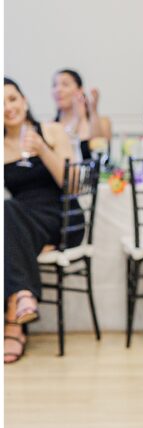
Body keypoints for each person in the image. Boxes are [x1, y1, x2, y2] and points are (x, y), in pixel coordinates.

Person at [4, 78, 79, 363]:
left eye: (12, 99)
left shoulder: (52, 130)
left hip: (60, 218)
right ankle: (21, 298)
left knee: (8, 220)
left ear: (23, 100)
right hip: (21, 221)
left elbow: (71, 185)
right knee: (8, 212)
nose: (8, 108)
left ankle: (13, 325)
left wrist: (43, 149)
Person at [52, 69, 112, 161]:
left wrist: (92, 111)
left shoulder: (102, 121)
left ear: (80, 90)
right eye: (55, 85)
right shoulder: (51, 126)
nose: (58, 90)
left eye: (65, 84)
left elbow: (98, 149)